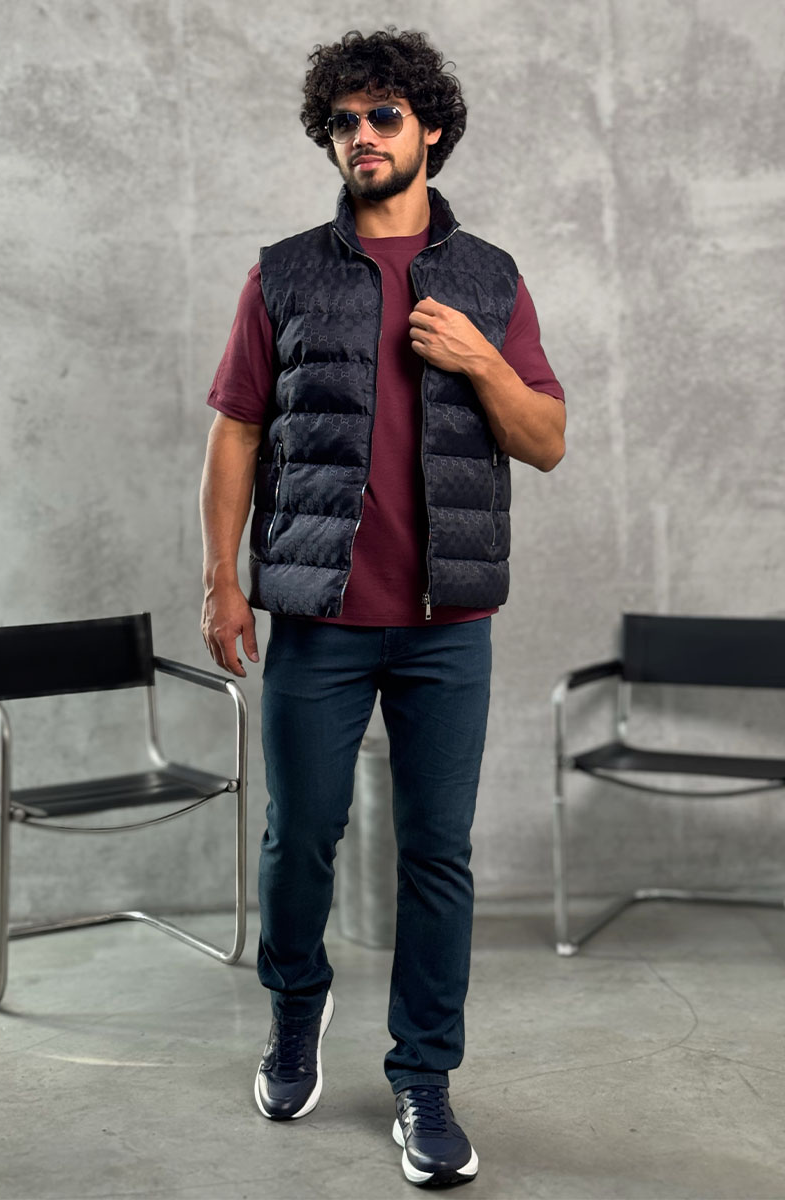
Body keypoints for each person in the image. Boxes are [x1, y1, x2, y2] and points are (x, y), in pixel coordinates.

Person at [200, 27, 565, 1188]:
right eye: (342, 121)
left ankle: (423, 1080)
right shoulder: (282, 274)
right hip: (317, 617)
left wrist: (478, 359)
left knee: (436, 855)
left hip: (447, 628)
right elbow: (236, 430)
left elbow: (546, 440)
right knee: (298, 839)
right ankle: (293, 1015)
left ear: (429, 128)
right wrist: (220, 579)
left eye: (382, 116)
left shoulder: (488, 278)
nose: (360, 135)